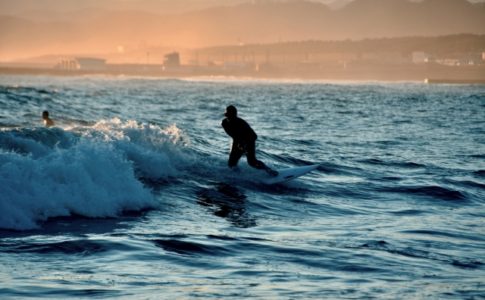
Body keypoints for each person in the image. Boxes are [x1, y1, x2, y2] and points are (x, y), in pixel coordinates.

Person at [222, 105, 278, 176]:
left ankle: (269, 171)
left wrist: (245, 144)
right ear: (227, 115)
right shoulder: (224, 123)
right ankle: (238, 176)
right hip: (237, 142)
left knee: (252, 162)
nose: (232, 117)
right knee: (231, 164)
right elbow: (233, 135)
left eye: (234, 115)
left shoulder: (241, 123)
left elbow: (254, 136)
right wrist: (239, 143)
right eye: (230, 115)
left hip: (249, 141)